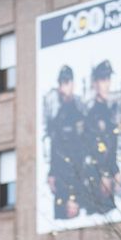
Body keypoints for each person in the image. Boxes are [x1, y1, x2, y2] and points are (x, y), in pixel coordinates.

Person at [46, 65, 84, 220]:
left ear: (73, 84)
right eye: (61, 83)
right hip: (61, 174)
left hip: (78, 173)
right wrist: (51, 173)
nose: (63, 88)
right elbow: (54, 145)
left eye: (66, 83)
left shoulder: (80, 108)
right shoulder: (57, 112)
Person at [82, 60, 120, 215]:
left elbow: (111, 148)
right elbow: (95, 149)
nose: (106, 84)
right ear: (95, 83)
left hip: (107, 179)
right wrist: (105, 174)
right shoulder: (93, 114)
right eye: (103, 79)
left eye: (108, 79)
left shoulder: (108, 111)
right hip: (98, 181)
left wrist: (115, 171)